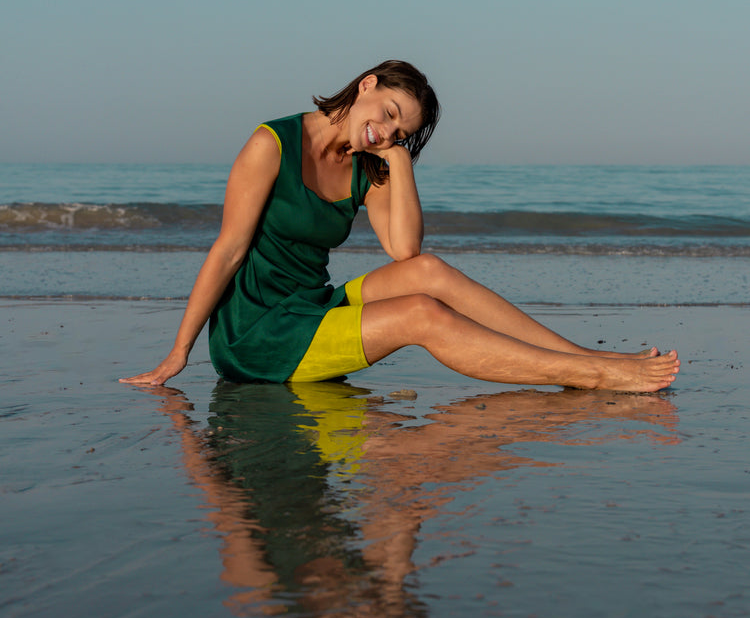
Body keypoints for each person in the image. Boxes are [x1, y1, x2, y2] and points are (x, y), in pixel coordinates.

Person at [120, 60, 680, 392]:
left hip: (311, 308)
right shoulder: (273, 143)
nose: (385, 132)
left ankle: (586, 358)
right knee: (421, 314)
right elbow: (228, 252)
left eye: (400, 131)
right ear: (366, 85)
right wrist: (179, 352)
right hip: (257, 337)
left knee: (429, 274)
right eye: (388, 112)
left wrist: (401, 162)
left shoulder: (374, 163)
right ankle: (591, 377)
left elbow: (405, 252)